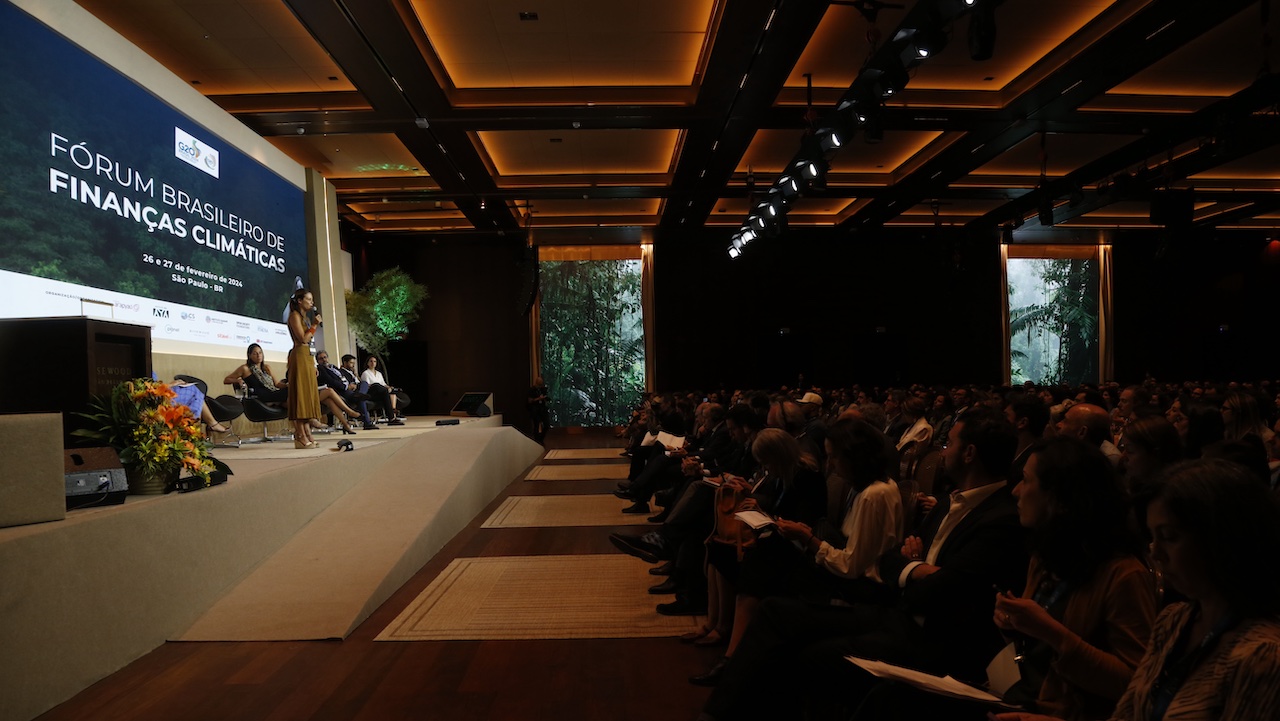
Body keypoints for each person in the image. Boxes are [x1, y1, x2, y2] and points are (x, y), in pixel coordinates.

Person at [993, 458, 1280, 721]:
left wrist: (1051, 633)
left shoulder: (1263, 655)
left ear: (1222, 539)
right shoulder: (1175, 620)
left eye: (1169, 537)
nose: (1156, 555)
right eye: (1153, 538)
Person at [285, 288, 323, 448]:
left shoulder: (305, 318)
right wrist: (315, 325)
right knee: (300, 395)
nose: (312, 302)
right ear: (300, 301)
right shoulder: (294, 316)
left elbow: (310, 343)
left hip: (307, 358)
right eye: (308, 299)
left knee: (307, 396)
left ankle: (308, 433)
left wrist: (313, 363)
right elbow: (303, 339)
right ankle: (299, 434)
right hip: (299, 357)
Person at [316, 351, 376, 431]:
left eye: (325, 357)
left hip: (349, 387)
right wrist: (346, 386)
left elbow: (342, 377)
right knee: (361, 399)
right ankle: (365, 421)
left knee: (364, 384)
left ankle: (359, 394)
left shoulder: (333, 367)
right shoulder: (320, 369)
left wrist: (352, 384)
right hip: (340, 390)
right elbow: (331, 381)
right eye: (321, 358)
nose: (324, 360)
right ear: (317, 361)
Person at [360, 356, 405, 425]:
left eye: (374, 361)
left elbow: (383, 384)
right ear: (368, 363)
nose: (373, 363)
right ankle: (392, 416)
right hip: (371, 392)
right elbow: (367, 385)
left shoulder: (379, 373)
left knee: (389, 391)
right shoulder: (366, 373)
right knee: (377, 386)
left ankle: (392, 415)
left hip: (381, 391)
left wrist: (389, 387)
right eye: (371, 361)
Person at [528, 375, 550, 444]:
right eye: (539, 384)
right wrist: (538, 399)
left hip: (543, 409)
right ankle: (537, 440)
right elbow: (530, 400)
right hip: (535, 409)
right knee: (536, 425)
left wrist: (545, 398)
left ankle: (541, 438)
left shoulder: (543, 389)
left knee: (546, 424)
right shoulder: (532, 390)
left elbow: (547, 398)